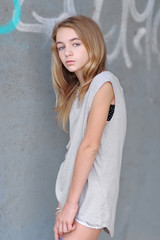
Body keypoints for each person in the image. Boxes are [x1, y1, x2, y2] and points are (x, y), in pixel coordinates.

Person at [50, 15, 127, 240]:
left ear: (92, 44)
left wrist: (71, 205)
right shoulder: (79, 92)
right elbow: (73, 152)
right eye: (61, 47)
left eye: (75, 43)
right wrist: (61, 206)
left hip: (90, 197)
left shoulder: (104, 83)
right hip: (74, 196)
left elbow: (90, 146)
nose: (67, 53)